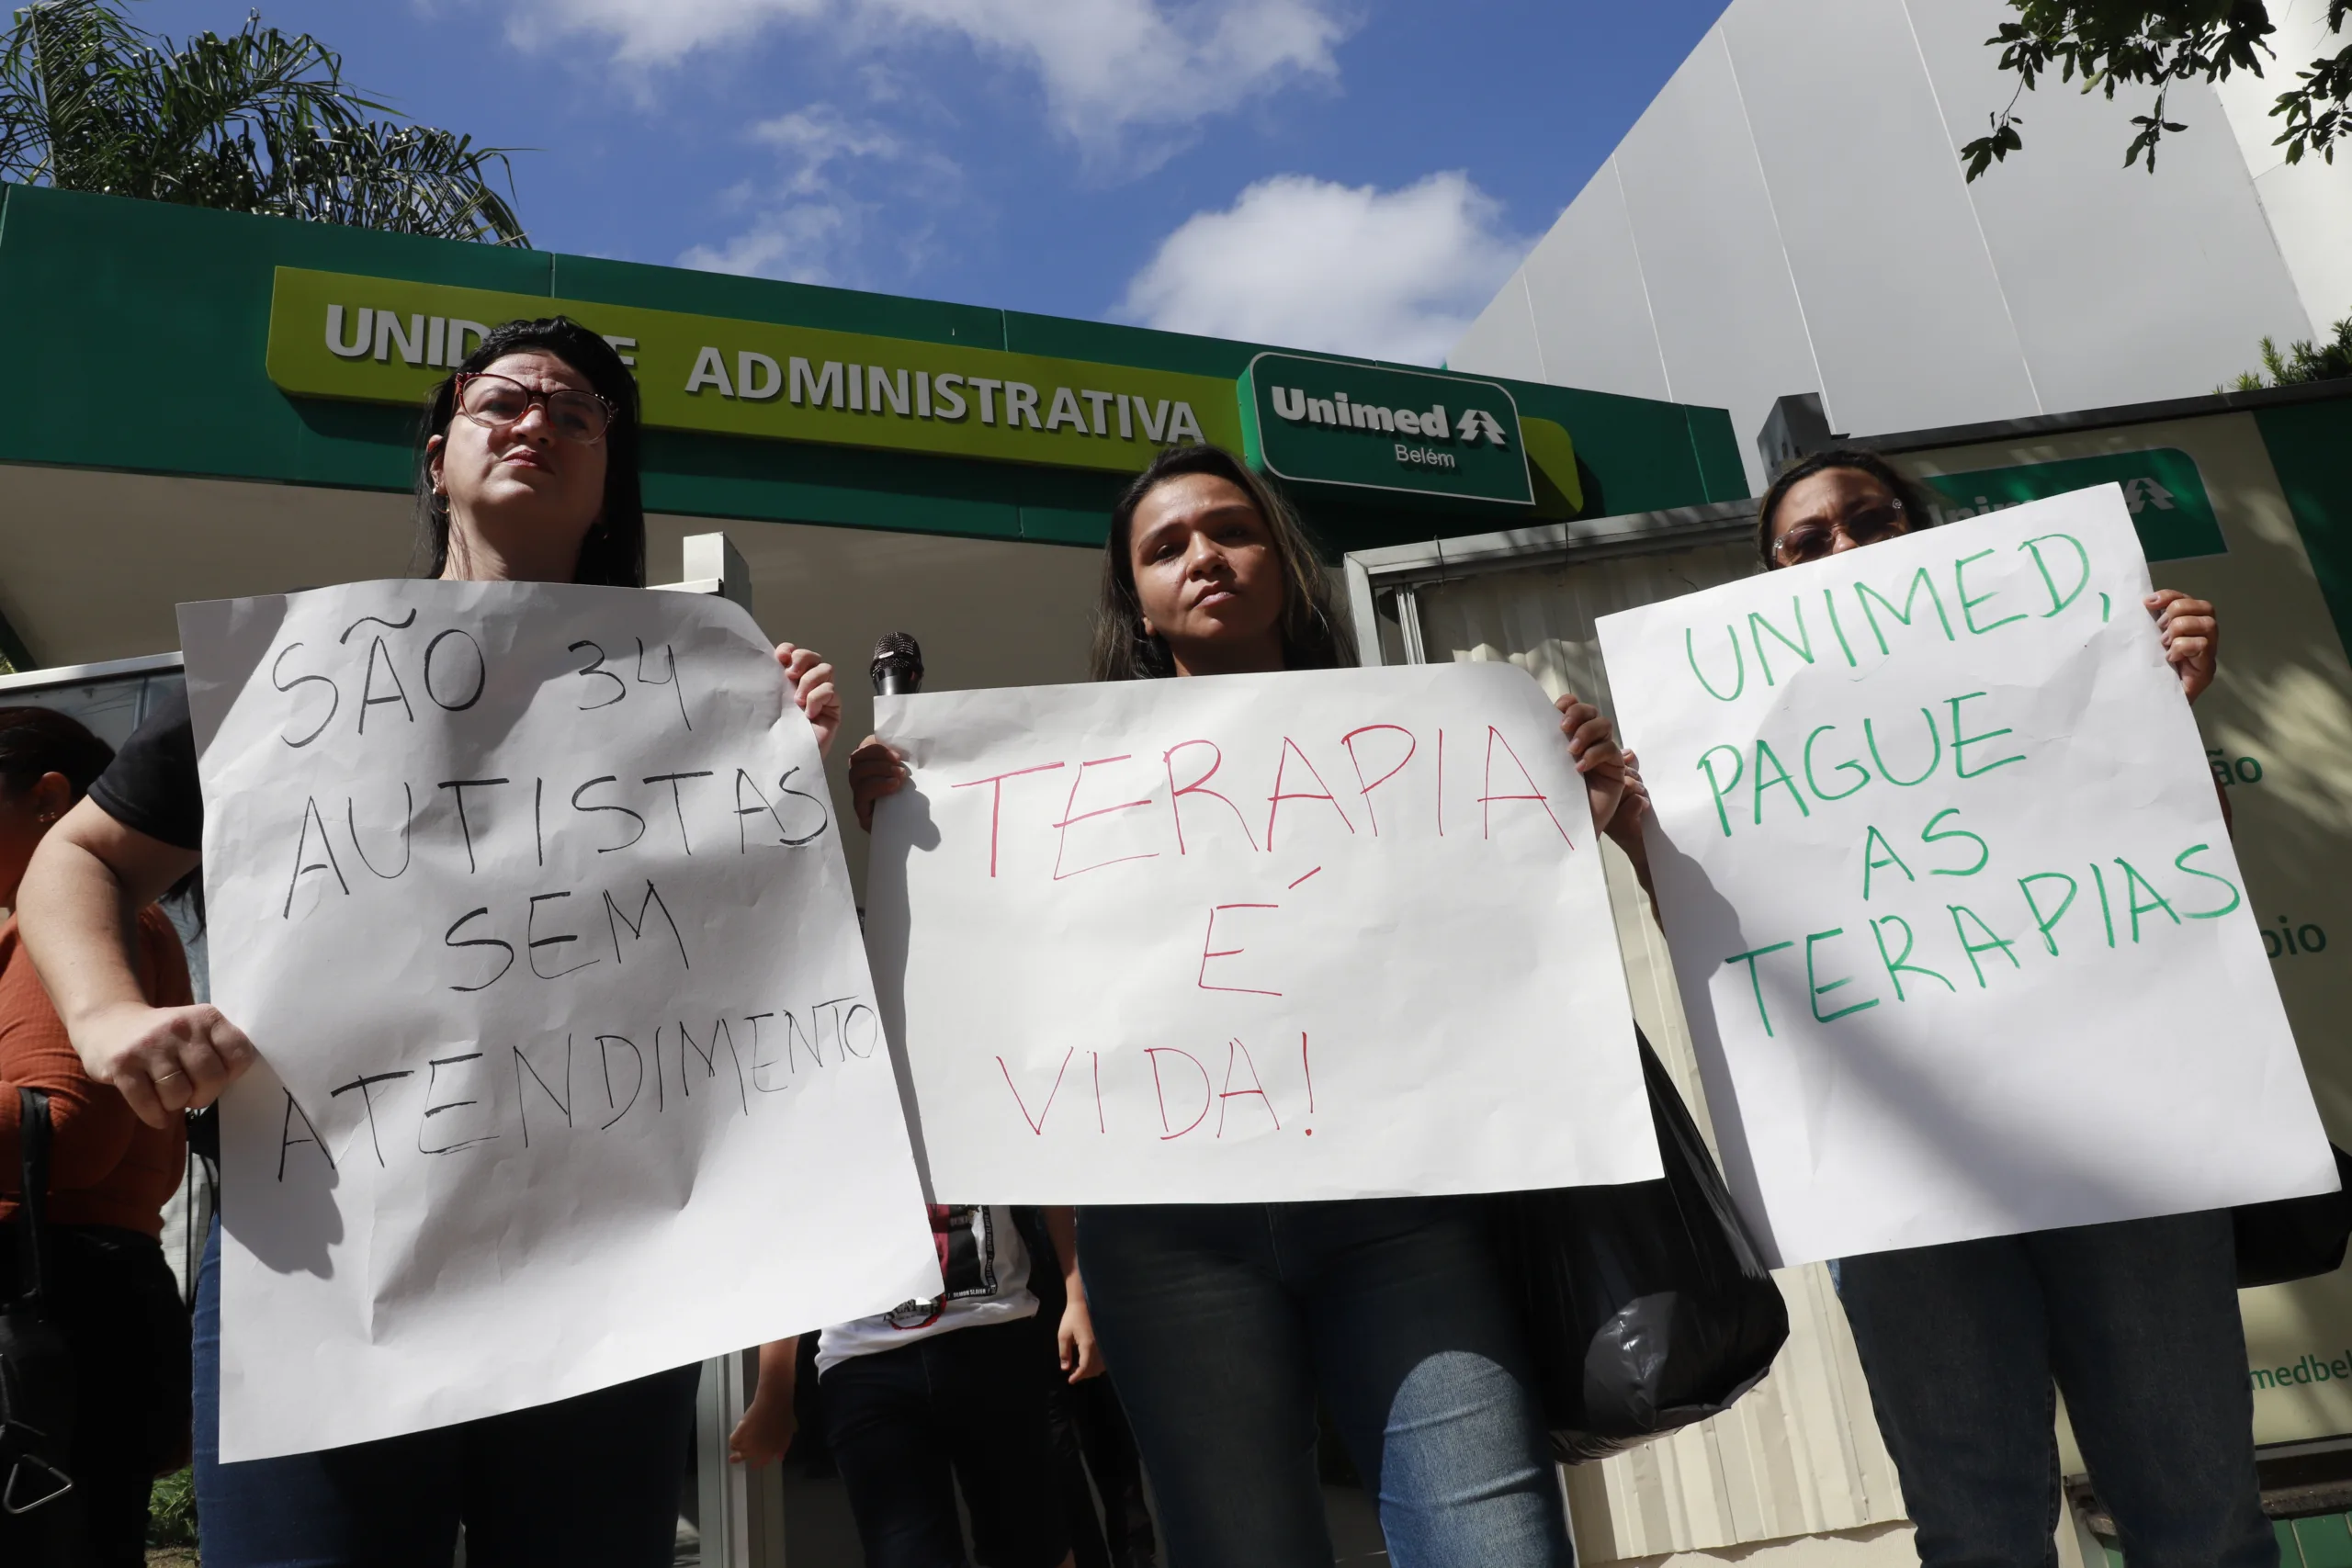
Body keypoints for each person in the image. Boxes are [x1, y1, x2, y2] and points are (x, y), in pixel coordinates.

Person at [17, 317, 845, 1568]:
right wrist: (108, 1020)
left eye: (579, 415)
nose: (539, 424)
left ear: (610, 474)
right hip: (328, 1262)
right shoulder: (292, 679)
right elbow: (76, 856)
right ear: (437, 448)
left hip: (602, 1267)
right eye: (505, 399)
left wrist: (777, 763)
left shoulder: (698, 695)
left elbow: (750, 960)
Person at [848, 443, 1627, 1568]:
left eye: (1231, 529)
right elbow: (1010, 995)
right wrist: (916, 842)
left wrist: (1566, 813)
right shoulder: (1055, 788)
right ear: (1141, 606)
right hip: (1168, 1239)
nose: (1203, 556)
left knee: (1495, 1549)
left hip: (1399, 1211)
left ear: (1285, 564)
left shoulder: (1429, 734)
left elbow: (1495, 951)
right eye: (1166, 548)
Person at [1606, 447, 2260, 1568]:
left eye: (1870, 519)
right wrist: (1638, 836)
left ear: (1925, 529)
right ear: (1767, 577)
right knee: (1978, 1536)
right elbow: (1746, 969)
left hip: (2125, 1147)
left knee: (2200, 1519)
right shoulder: (1737, 743)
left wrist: (2163, 714)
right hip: (1900, 1189)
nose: (1845, 549)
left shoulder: (2066, 667)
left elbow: (2187, 893)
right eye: (1807, 541)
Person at [0, 707, 193, 1568]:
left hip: (52, 1308)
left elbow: (66, 1133)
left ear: (47, 799)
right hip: (82, 1306)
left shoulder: (79, 933)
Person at [729, 1205, 1097, 1568]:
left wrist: (1077, 1295)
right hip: (864, 1362)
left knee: (1031, 1546)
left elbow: (1051, 1186)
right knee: (908, 1553)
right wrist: (773, 1391)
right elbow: (787, 1235)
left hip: (993, 1334)